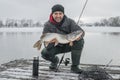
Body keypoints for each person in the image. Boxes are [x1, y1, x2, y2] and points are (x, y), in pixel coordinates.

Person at [41, 4, 85, 73]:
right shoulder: (47, 25)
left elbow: (81, 32)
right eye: (56, 13)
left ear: (63, 14)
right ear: (52, 14)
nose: (58, 16)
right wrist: (52, 42)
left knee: (80, 41)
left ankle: (75, 66)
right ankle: (55, 61)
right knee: (44, 53)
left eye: (60, 13)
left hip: (68, 45)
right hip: (56, 46)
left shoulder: (70, 22)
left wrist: (80, 36)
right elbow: (47, 46)